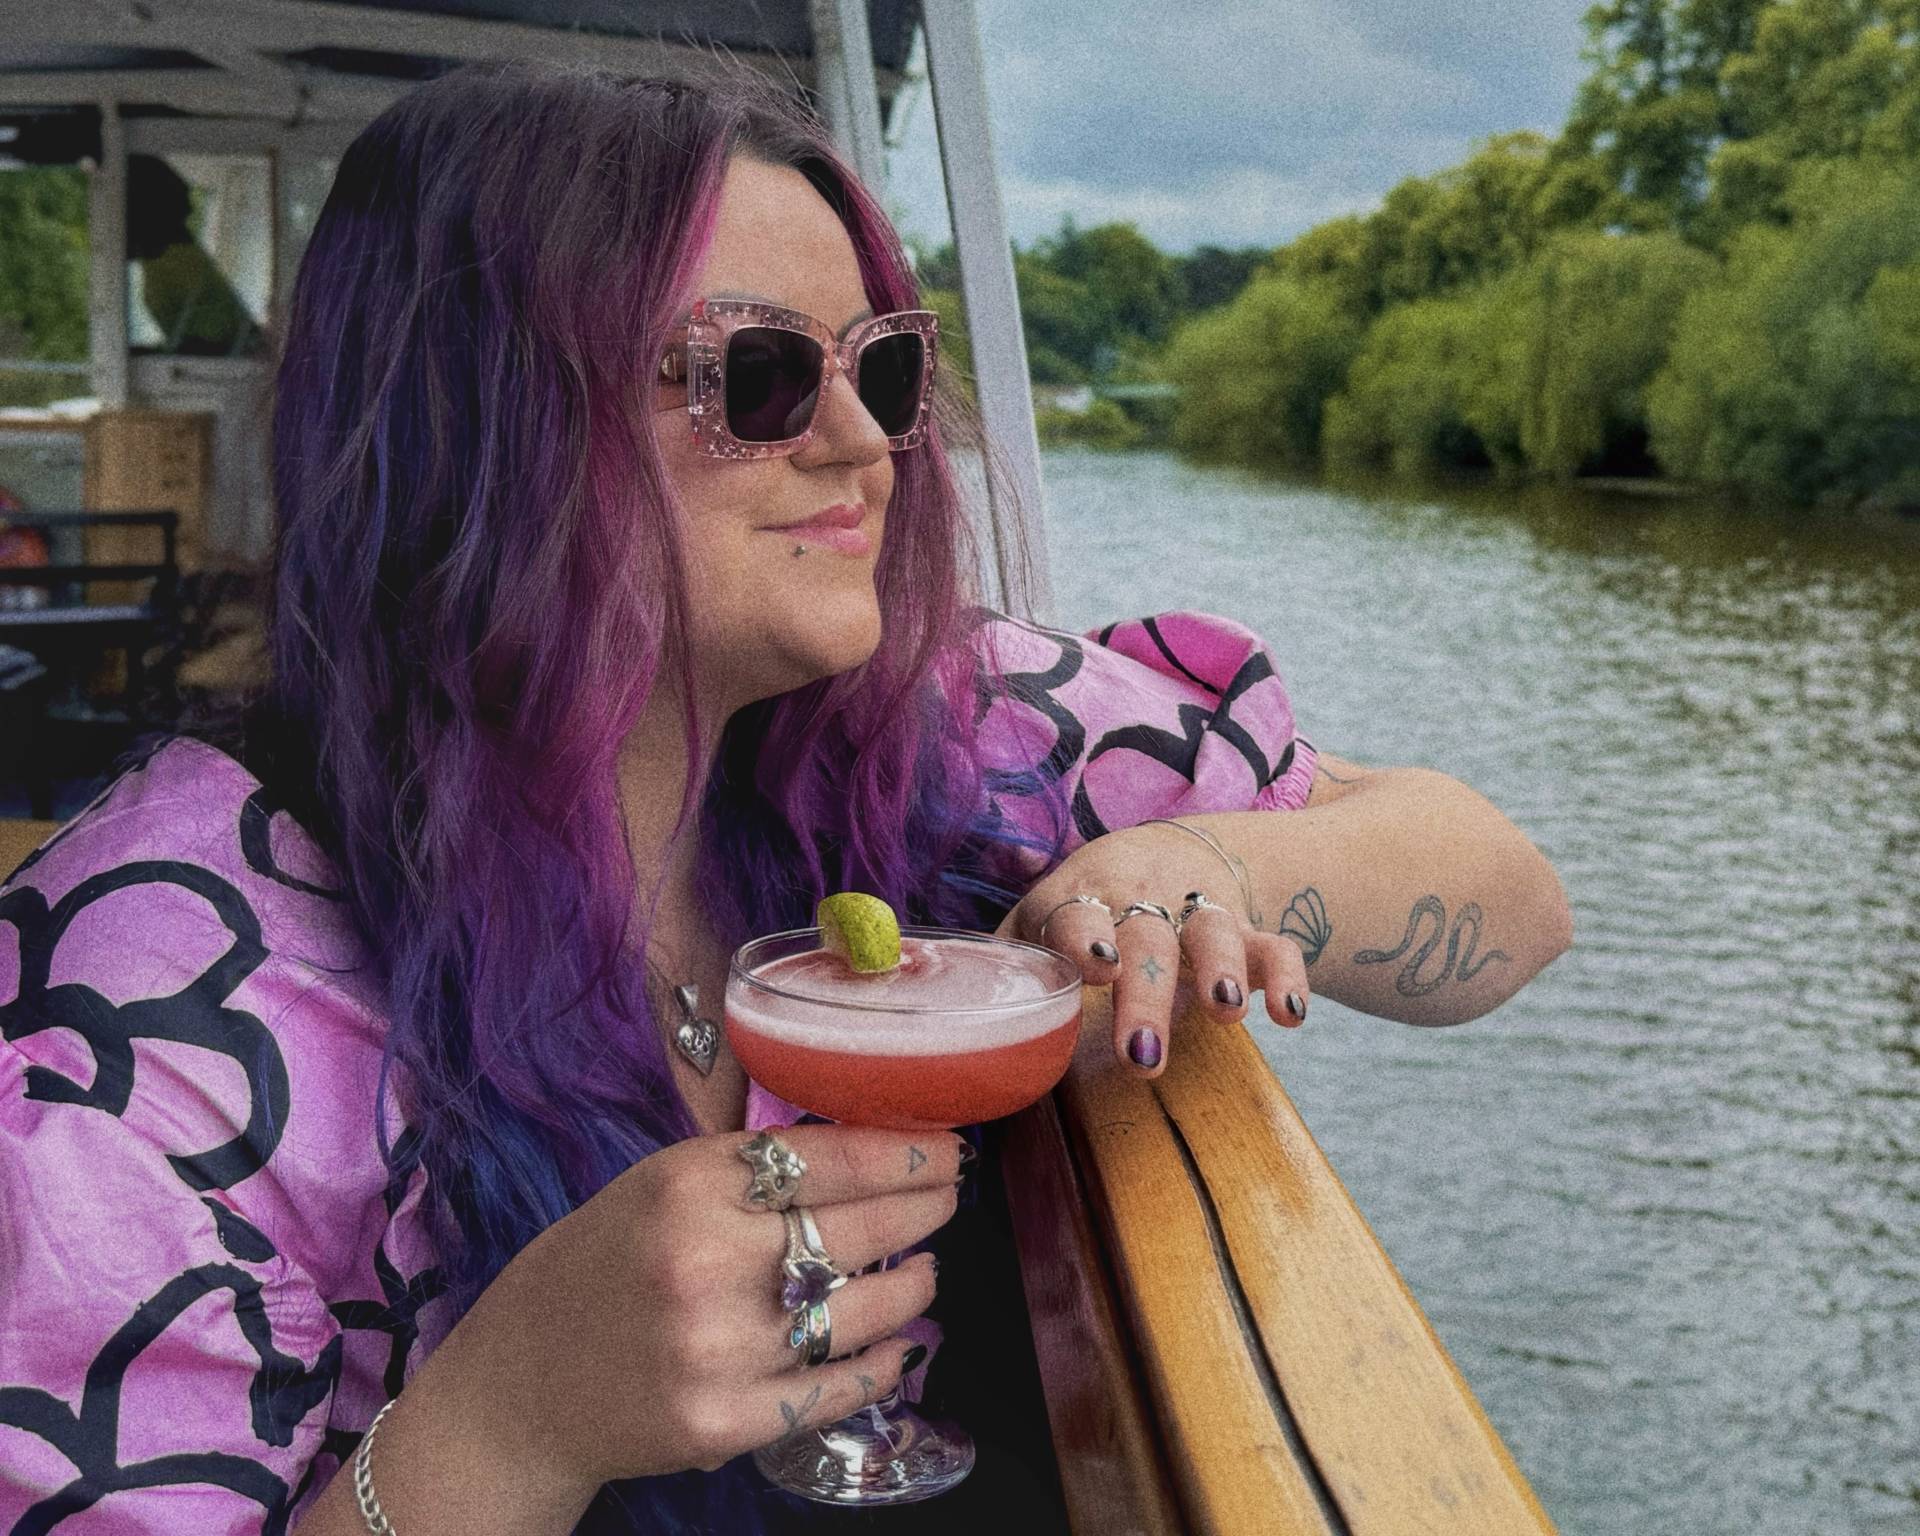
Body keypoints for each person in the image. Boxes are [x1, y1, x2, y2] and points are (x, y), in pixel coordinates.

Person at [0, 63, 1573, 1536]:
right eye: (758, 373)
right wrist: (510, 1420)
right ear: (474, 418)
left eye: (886, 367)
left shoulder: (932, 724)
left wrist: (1197, 859)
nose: (869, 440)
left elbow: (1504, 895)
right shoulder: (149, 1027)